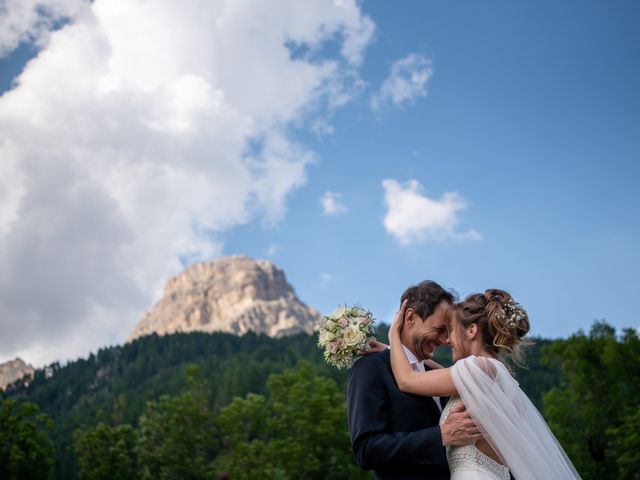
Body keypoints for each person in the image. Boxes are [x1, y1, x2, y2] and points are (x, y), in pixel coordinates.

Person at [389, 289, 581, 480]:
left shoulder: (476, 367)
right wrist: (394, 351)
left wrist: (394, 335)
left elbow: (406, 380)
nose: (447, 340)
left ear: (471, 330)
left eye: (452, 331)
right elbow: (435, 371)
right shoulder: (491, 374)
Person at [347, 280, 484, 480]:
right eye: (439, 329)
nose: (445, 340)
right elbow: (367, 450)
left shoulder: (437, 373)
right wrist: (439, 437)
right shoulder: (371, 368)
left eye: (448, 332)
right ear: (410, 317)